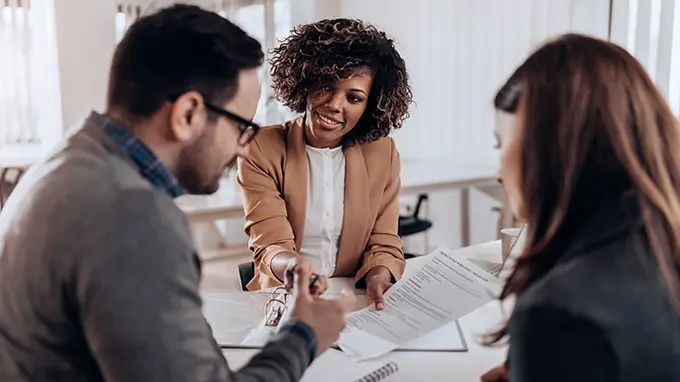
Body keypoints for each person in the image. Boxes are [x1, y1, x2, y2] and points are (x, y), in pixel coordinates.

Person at [0, 5, 352, 382]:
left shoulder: (67, 160)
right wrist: (303, 335)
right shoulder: (131, 214)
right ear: (188, 114)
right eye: (242, 127)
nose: (245, 148)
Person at [481, 34, 680, 382]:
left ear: (550, 149)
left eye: (501, 144)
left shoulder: (557, 314)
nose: (498, 174)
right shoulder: (663, 244)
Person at [238, 18, 413, 310]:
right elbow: (270, 245)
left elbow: (384, 242)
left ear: (370, 107)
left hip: (356, 300)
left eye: (354, 98)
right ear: (305, 81)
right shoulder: (261, 147)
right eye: (326, 85)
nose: (334, 104)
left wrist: (380, 273)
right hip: (285, 297)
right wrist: (296, 271)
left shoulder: (382, 153)